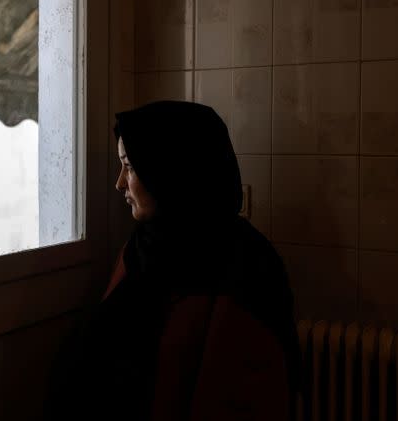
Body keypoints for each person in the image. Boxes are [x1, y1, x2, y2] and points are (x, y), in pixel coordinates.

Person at [44, 101, 302, 420]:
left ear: (170, 169)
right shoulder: (140, 248)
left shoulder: (244, 264)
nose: (120, 182)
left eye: (131, 166)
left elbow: (244, 395)